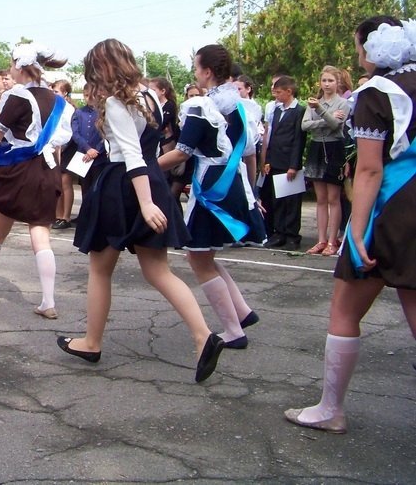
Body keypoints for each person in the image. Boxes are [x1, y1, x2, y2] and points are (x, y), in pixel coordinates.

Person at [56, 39, 223, 382]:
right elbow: (153, 148)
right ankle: (203, 335)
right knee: (158, 270)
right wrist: (150, 198)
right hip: (151, 182)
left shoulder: (118, 103)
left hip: (124, 187)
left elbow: (130, 155)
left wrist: (145, 203)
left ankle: (91, 342)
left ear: (103, 68)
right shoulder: (149, 96)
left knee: (100, 269)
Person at [285, 16, 416, 434]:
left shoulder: (376, 92)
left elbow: (370, 170)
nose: (357, 54)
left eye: (359, 45)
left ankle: (330, 408)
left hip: (392, 209)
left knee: (344, 310)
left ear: (372, 47)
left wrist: (354, 232)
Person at [158, 44, 266, 350]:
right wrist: (253, 190)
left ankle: (233, 330)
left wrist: (145, 168)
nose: (194, 73)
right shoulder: (243, 105)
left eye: (195, 67)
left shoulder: (203, 105)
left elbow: (183, 151)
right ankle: (242, 313)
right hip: (234, 181)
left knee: (198, 256)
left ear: (207, 71)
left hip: (212, 183)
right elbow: (248, 153)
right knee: (205, 255)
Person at [0, 42, 73, 319]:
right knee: (40, 232)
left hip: (18, 170)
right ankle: (48, 300)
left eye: (12, 65)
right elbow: (59, 142)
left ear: (21, 67)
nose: (10, 70)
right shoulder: (58, 101)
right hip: (47, 170)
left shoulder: (17, 97)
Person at [301, 66, 351, 256]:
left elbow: (336, 125)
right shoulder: (314, 102)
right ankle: (321, 240)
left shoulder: (343, 103)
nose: (327, 84)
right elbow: (305, 125)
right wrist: (324, 119)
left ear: (338, 83)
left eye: (331, 80)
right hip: (316, 148)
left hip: (334, 148)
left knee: (333, 198)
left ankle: (332, 241)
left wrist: (320, 111)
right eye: (324, 80)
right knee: (320, 199)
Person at [260, 76, 306, 249]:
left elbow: (298, 140)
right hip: (276, 161)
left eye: (279, 92)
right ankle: (279, 232)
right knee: (277, 199)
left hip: (289, 162)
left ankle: (292, 235)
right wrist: (268, 160)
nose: (276, 96)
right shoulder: (277, 111)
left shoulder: (299, 111)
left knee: (291, 201)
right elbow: (272, 137)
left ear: (289, 91)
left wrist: (294, 165)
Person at [71, 83, 107, 199]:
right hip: (84, 156)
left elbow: (107, 134)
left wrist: (97, 150)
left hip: (99, 157)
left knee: (97, 188)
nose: (89, 98)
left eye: (92, 95)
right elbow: (75, 133)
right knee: (85, 188)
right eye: (86, 95)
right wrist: (87, 149)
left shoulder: (104, 112)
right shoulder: (79, 112)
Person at [52, 79, 77, 230]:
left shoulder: (68, 109)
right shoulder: (54, 107)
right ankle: (57, 215)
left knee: (65, 183)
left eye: (56, 92)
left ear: (65, 93)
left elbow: (68, 131)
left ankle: (65, 216)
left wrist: (59, 146)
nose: (53, 94)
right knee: (56, 183)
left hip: (66, 147)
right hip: (54, 147)